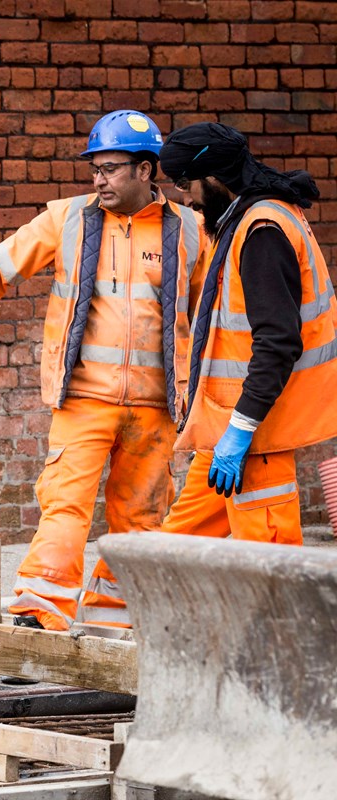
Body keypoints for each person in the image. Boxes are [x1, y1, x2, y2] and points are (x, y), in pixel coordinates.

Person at [0, 111, 207, 631]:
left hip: (157, 408)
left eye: (110, 169)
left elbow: (213, 313)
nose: (98, 179)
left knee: (143, 520)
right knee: (65, 507)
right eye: (95, 169)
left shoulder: (192, 231)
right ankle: (41, 614)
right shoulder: (66, 219)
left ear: (146, 170)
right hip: (84, 400)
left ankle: (119, 621)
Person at [157, 123, 337, 543]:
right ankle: (109, 608)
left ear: (216, 178)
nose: (185, 197)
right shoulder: (255, 218)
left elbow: (278, 342)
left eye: (186, 183)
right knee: (171, 547)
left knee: (267, 568)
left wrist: (241, 429)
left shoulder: (263, 231)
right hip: (230, 433)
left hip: (255, 437)